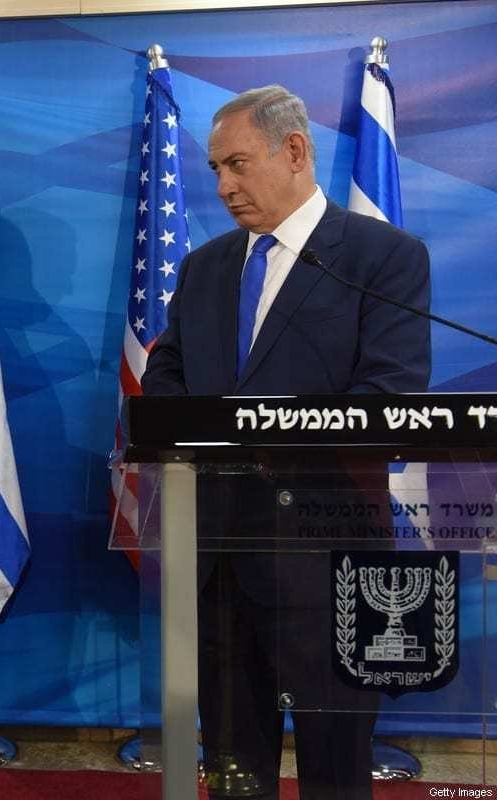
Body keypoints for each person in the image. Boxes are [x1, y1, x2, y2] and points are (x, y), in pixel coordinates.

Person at [142, 85, 430, 799]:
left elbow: (388, 402)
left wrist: (248, 437)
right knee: (236, 774)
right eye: (213, 169)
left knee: (336, 774)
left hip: (326, 560)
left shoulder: (381, 259)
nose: (223, 186)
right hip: (218, 561)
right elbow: (165, 376)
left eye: (237, 164)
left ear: (295, 151)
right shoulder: (206, 267)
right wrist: (206, 437)